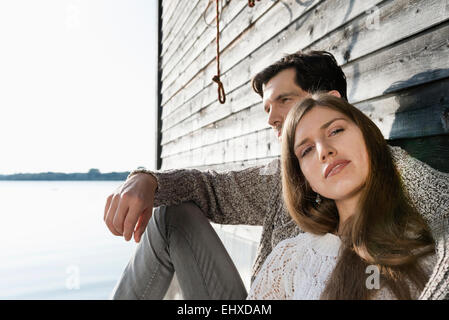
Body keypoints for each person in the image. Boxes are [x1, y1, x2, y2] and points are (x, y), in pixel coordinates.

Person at [104, 51, 449, 299]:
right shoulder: (282, 183)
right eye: (267, 109)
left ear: (333, 102)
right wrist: (146, 178)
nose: (271, 118)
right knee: (171, 215)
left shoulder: (394, 170)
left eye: (284, 101)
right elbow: (208, 188)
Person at [246, 93, 438, 299]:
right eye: (307, 150)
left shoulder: (434, 245)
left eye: (335, 130)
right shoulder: (290, 258)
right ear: (307, 181)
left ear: (368, 138)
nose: (323, 151)